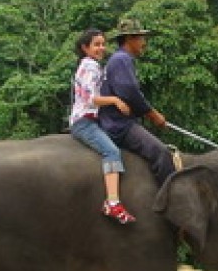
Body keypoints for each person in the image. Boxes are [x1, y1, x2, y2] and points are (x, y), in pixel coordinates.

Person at [70, 28, 136, 224]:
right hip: (85, 123)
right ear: (85, 47)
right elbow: (91, 99)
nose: (102, 48)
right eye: (96, 44)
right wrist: (115, 100)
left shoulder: (91, 65)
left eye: (103, 44)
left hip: (91, 121)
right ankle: (113, 203)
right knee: (112, 152)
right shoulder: (89, 66)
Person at [98, 18, 175, 186]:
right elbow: (130, 92)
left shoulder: (120, 60)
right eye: (140, 38)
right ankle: (170, 198)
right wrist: (153, 115)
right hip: (119, 125)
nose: (144, 43)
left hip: (117, 121)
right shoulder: (121, 60)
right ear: (129, 39)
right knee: (161, 153)